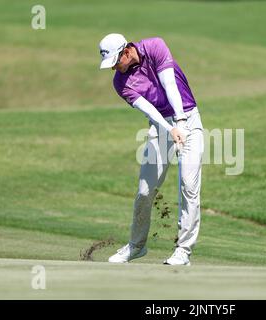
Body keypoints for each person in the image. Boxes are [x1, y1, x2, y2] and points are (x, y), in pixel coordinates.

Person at [99, 34, 204, 266]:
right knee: (145, 191)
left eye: (116, 62)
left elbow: (170, 85)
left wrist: (181, 123)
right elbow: (149, 110)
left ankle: (183, 251)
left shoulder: (155, 46)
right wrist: (169, 128)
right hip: (160, 126)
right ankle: (136, 246)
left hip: (187, 118)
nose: (114, 68)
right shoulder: (120, 82)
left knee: (188, 186)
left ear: (126, 51)